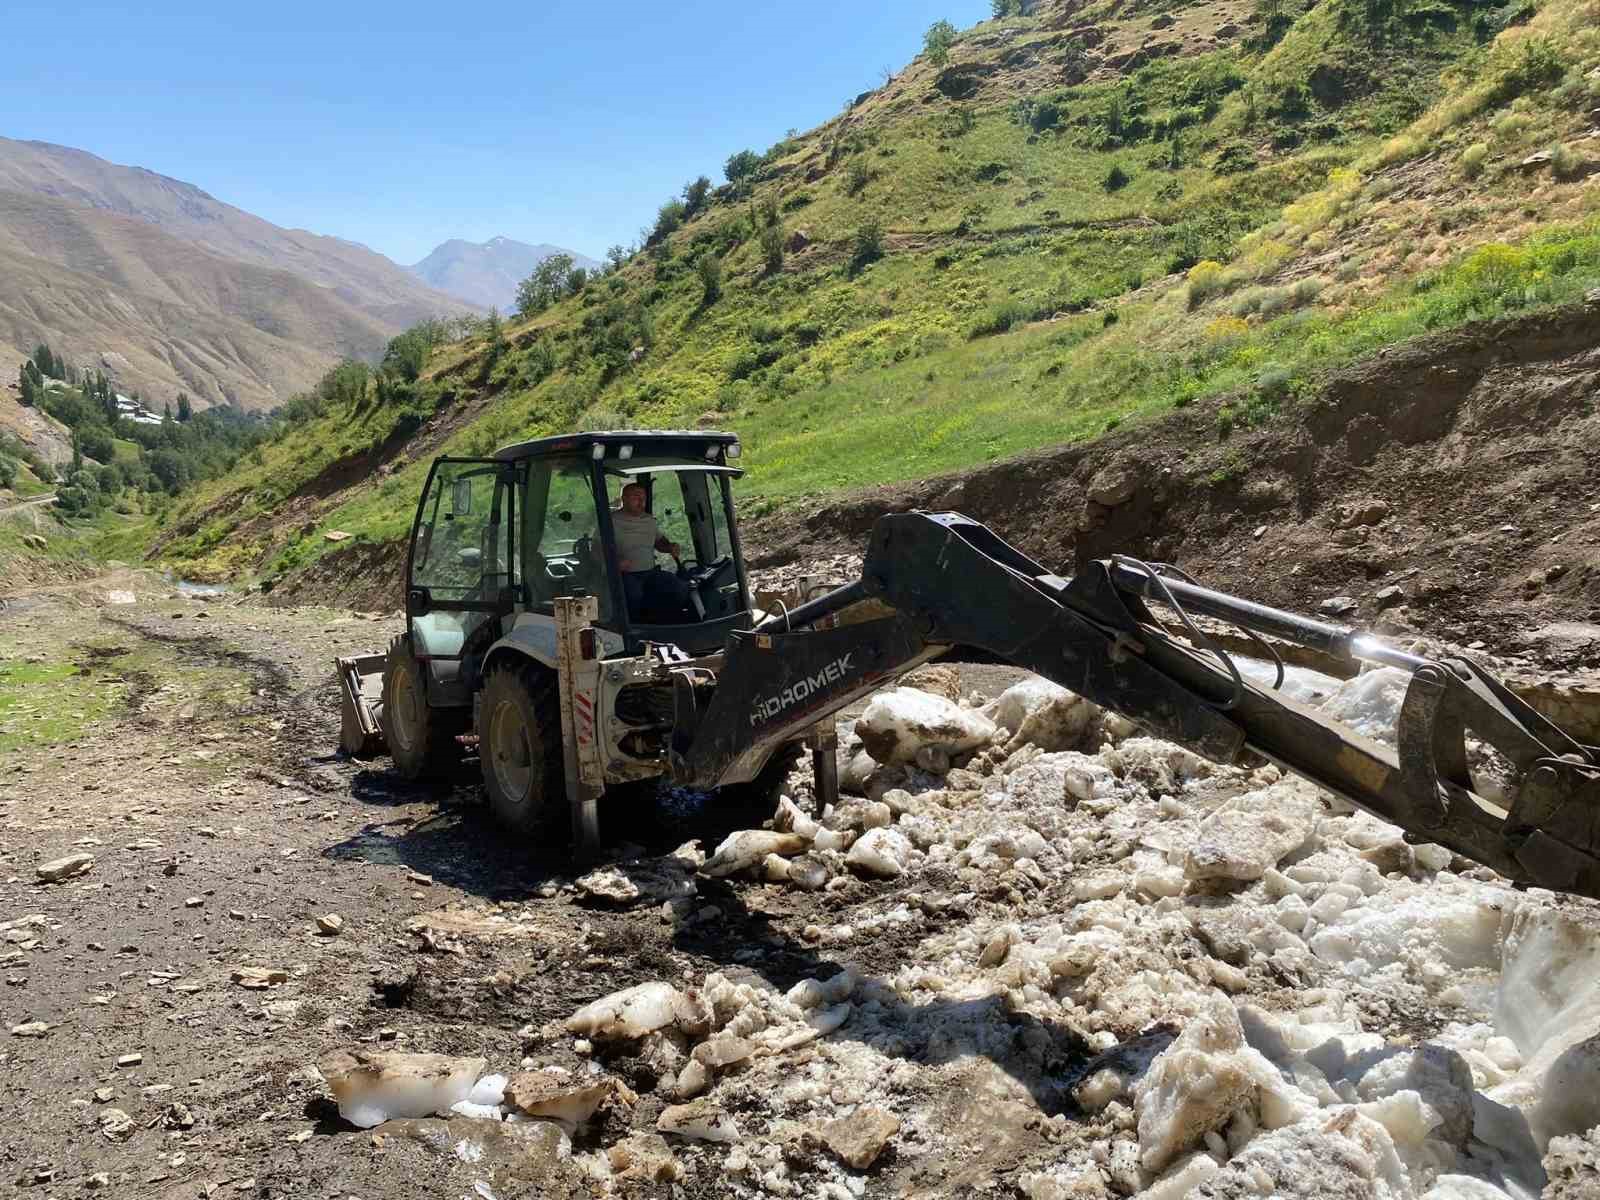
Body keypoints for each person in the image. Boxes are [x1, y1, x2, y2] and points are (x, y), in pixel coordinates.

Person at [613, 481, 692, 620]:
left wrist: (669, 547)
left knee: (678, 587)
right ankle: (635, 627)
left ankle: (673, 623)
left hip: (650, 572)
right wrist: (615, 562)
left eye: (643, 498)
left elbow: (659, 541)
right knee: (633, 594)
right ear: (624, 499)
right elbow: (596, 548)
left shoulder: (648, 520)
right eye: (636, 498)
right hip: (624, 575)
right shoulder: (611, 520)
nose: (641, 502)